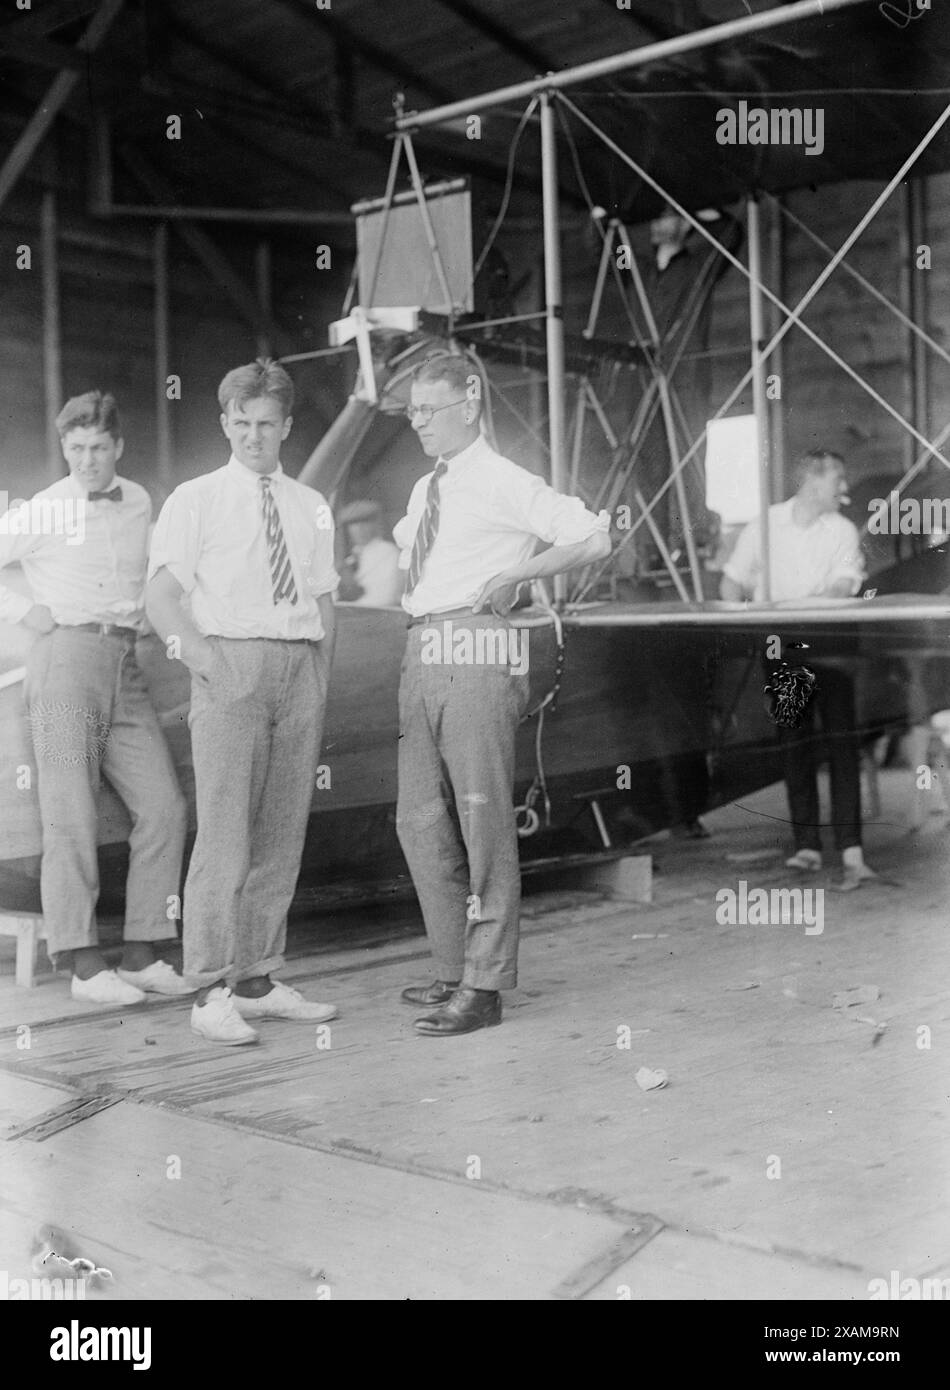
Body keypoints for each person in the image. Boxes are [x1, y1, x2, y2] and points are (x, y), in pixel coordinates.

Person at [394, 356, 612, 1035]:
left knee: (483, 825)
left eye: (430, 409)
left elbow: (593, 534)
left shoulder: (501, 479)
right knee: (420, 821)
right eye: (413, 413)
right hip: (422, 647)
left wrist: (519, 572)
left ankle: (484, 989)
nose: (419, 422)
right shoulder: (426, 487)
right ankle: (455, 966)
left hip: (478, 649)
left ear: (471, 399)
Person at [146, 359, 340, 1045]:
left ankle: (256, 979)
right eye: (241, 422)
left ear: (286, 425)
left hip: (297, 669)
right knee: (224, 837)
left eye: (267, 424)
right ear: (224, 422)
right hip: (230, 666)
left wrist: (318, 669)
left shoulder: (310, 503)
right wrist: (206, 663)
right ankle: (208, 989)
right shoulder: (195, 499)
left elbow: (322, 595)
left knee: (281, 834)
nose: (254, 435)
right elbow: (161, 599)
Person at [0, 391, 189, 1004]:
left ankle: (140, 951)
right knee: (69, 813)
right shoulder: (44, 510)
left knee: (164, 806)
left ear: (118, 448)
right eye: (76, 449)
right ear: (64, 449)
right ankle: (83, 963)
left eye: (98, 448)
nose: (87, 460)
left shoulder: (139, 500)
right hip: (62, 662)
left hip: (127, 664)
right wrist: (27, 610)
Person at [720, 448, 877, 891]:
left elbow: (844, 589)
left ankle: (851, 850)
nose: (845, 490)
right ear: (812, 480)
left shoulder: (843, 531)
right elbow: (731, 579)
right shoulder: (764, 526)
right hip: (784, 644)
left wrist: (788, 606)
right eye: (838, 480)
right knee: (795, 743)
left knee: (842, 745)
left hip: (832, 643)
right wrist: (741, 612)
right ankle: (806, 846)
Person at [337, 499, 403, 606]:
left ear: (376, 525)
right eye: (353, 524)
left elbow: (385, 597)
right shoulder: (351, 557)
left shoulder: (388, 552)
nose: (359, 529)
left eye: (365, 523)